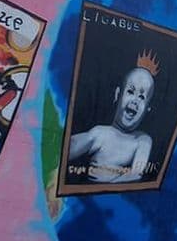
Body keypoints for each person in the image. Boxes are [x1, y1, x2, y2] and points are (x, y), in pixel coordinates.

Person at [68, 50, 159, 183]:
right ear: (117, 95)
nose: (135, 100)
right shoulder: (100, 133)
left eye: (141, 96)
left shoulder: (142, 140)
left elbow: (137, 173)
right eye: (130, 91)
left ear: (147, 109)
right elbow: (70, 146)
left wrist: (112, 181)